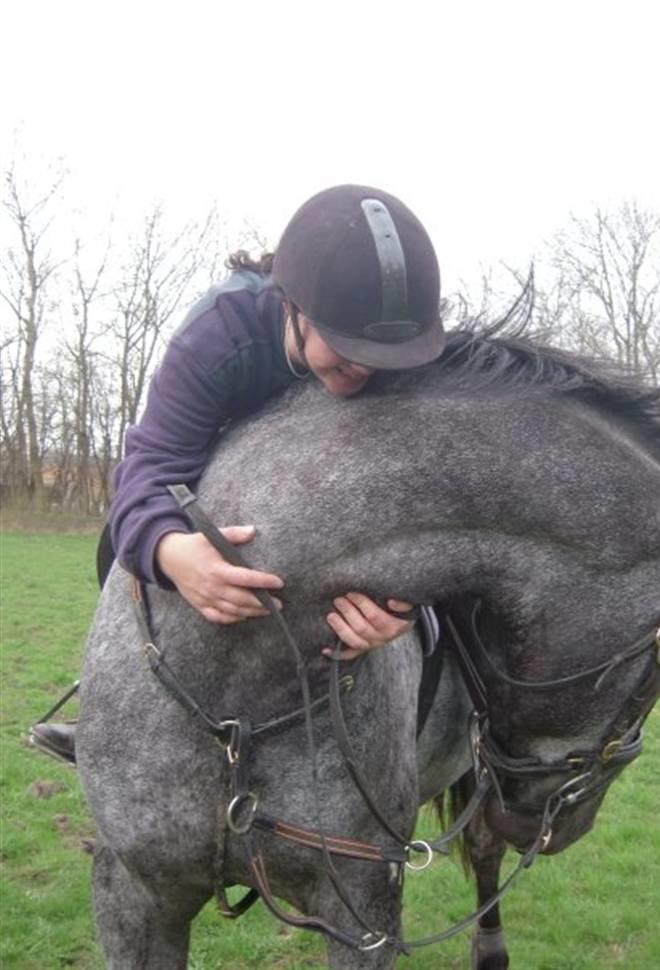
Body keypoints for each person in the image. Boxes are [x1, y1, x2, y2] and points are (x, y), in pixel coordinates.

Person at [31, 183, 445, 765]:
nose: (367, 371)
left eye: (382, 358)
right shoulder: (219, 334)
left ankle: (482, 740)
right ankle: (109, 715)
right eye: (347, 349)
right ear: (293, 307)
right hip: (214, 500)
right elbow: (145, 472)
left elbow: (431, 505)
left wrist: (403, 607)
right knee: (117, 551)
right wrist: (173, 554)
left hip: (350, 530)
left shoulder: (399, 355)